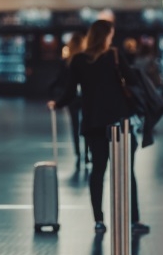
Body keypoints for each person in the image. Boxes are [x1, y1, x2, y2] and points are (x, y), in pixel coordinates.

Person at [48, 19, 148, 234]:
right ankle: (133, 219)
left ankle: (99, 220)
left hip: (94, 123)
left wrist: (57, 104)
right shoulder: (113, 56)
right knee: (126, 172)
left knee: (98, 171)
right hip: (119, 122)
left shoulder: (78, 61)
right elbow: (132, 80)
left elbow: (70, 92)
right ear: (106, 36)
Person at [49, 31, 88, 161]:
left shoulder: (67, 62)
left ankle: (78, 152)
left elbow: (60, 80)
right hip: (85, 97)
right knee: (86, 124)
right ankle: (87, 152)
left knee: (75, 125)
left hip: (71, 97)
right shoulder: (86, 60)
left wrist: (54, 96)